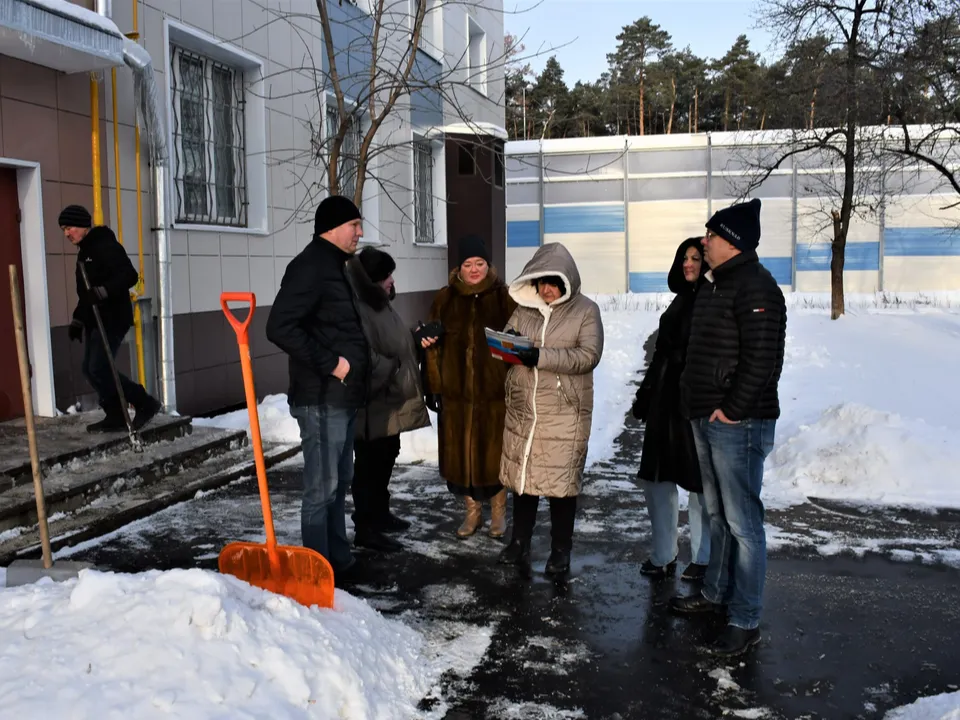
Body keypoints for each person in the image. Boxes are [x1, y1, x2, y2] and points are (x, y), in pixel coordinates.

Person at [668, 198, 787, 658]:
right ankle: (716, 594)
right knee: (716, 515)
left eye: (711, 235)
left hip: (738, 423)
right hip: (709, 417)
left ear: (732, 242)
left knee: (743, 524)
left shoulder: (757, 288)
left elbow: (763, 361)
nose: (704, 241)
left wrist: (733, 409)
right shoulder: (719, 286)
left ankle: (745, 617)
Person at [265, 195, 369, 577]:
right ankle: (317, 571)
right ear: (332, 227)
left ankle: (337, 562)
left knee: (339, 483)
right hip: (321, 397)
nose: (360, 232)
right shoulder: (310, 267)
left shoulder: (337, 266)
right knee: (321, 489)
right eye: (354, 225)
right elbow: (279, 326)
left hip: (340, 397)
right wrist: (333, 365)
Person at [497, 243, 603, 576]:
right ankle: (519, 542)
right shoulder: (525, 308)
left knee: (561, 488)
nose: (547, 289)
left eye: (554, 282)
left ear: (567, 281)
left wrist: (540, 356)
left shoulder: (586, 310)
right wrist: (507, 343)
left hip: (563, 413)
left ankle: (560, 552)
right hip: (525, 413)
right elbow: (510, 343)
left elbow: (588, 356)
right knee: (524, 483)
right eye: (542, 281)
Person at [421, 235, 516, 539]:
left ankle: (499, 512)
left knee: (496, 455)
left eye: (480, 263)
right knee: (462, 458)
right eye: (468, 264)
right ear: (458, 268)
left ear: (489, 266)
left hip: (496, 397)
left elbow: (519, 346)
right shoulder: (445, 299)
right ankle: (472, 512)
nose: (474, 269)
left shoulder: (505, 297)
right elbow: (431, 349)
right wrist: (434, 387)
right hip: (457, 396)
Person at [632, 238, 711, 580]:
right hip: (665, 405)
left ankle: (704, 557)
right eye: (684, 258)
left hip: (694, 405)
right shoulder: (682, 299)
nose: (688, 263)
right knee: (657, 480)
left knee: (699, 486)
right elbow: (662, 355)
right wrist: (646, 394)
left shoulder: (712, 300)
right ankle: (664, 554)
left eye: (696, 258)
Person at [346, 247, 430, 553]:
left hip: (389, 401)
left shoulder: (381, 304)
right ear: (372, 280)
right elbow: (362, 355)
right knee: (369, 465)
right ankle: (365, 527)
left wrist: (415, 337)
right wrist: (392, 366)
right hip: (372, 405)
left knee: (386, 457)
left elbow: (394, 340)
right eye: (386, 276)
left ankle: (380, 515)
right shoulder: (360, 307)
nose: (392, 281)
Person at [59, 204, 161, 433]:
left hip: (114, 317)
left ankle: (145, 402)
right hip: (96, 319)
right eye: (63, 229)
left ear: (84, 225)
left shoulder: (105, 245)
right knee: (90, 368)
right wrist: (78, 320)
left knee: (99, 367)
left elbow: (130, 275)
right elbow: (86, 295)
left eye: (70, 227)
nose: (67, 233)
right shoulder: (84, 254)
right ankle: (115, 413)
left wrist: (104, 290)